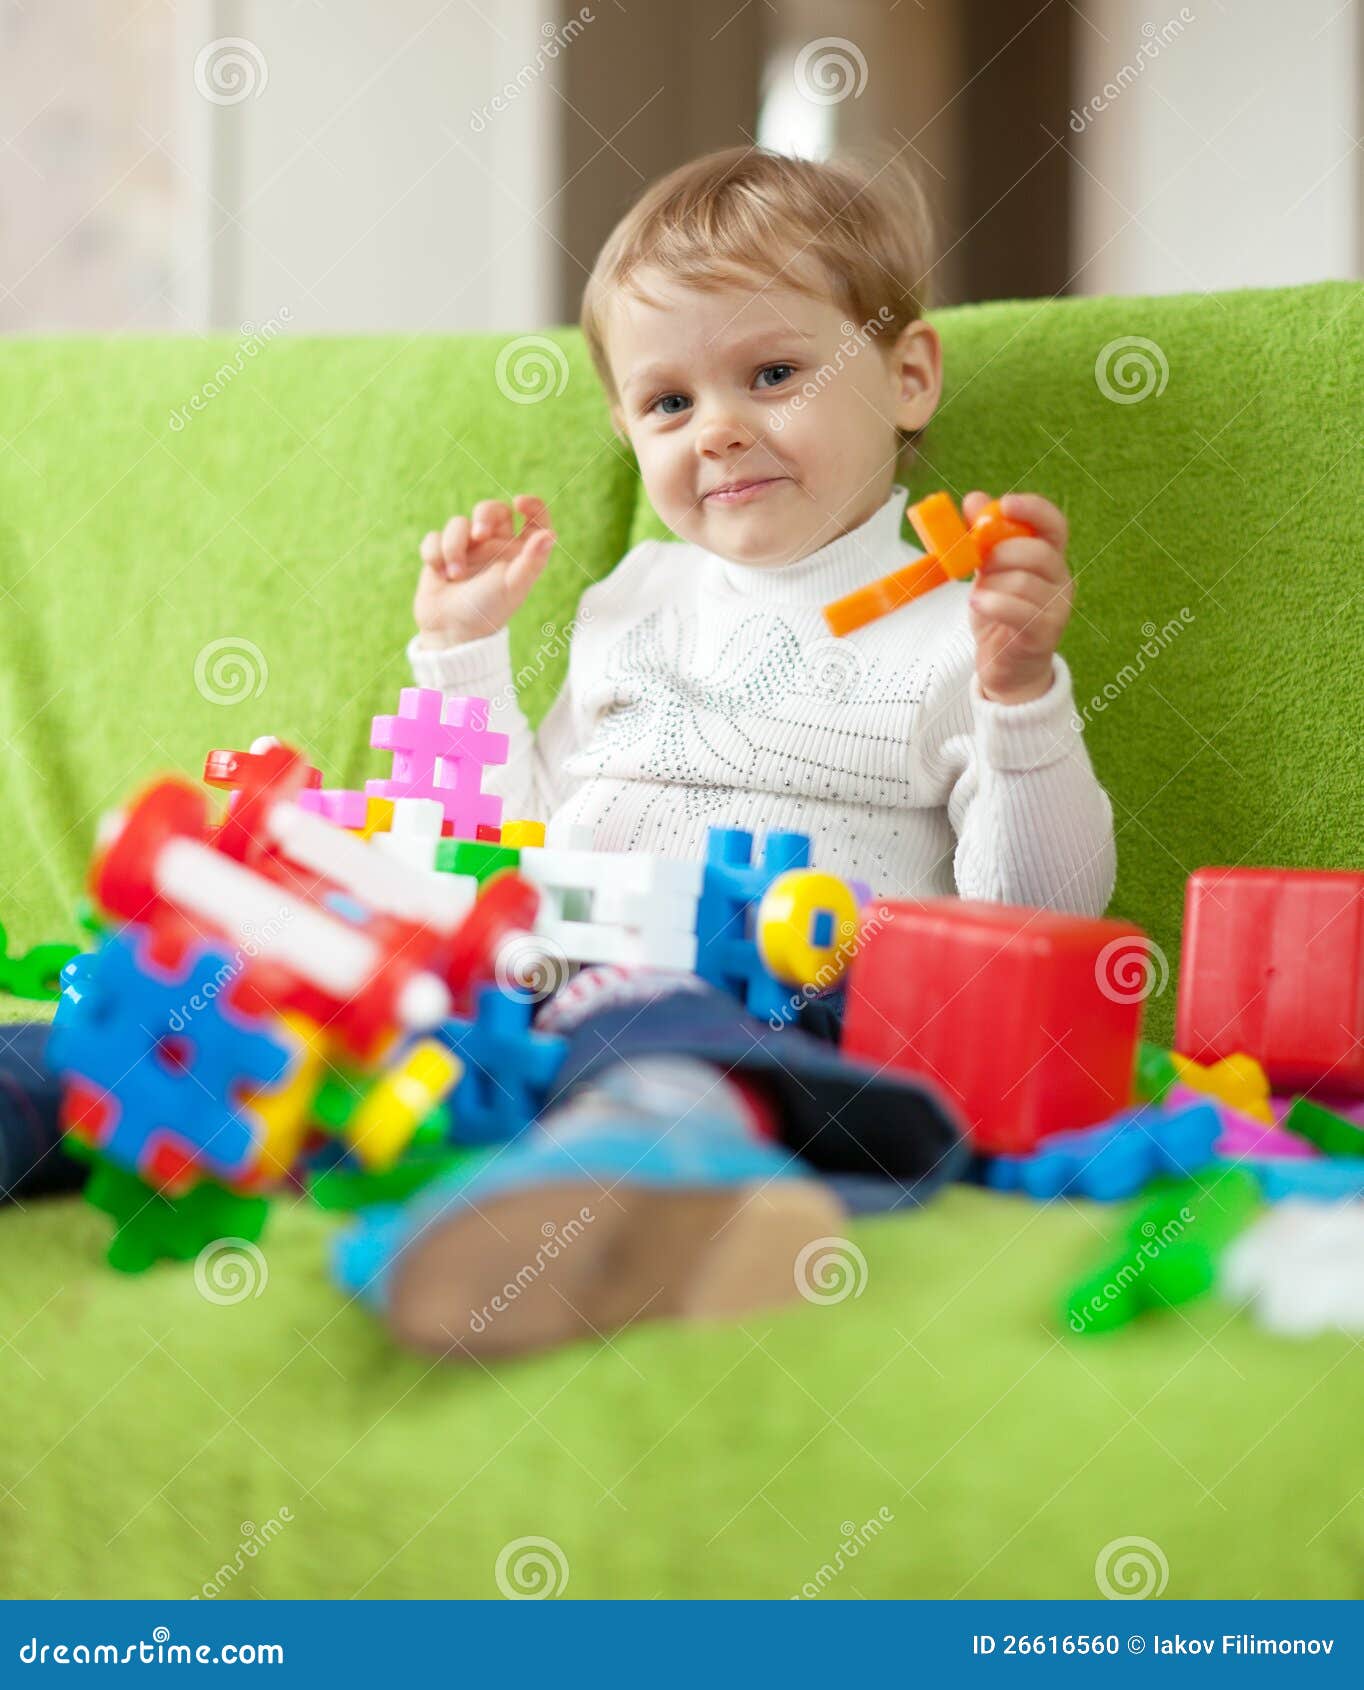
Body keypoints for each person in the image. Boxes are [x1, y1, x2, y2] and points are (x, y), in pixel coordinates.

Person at [356, 146, 1118, 1359]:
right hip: (537, 984)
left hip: (778, 1011)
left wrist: (1019, 694)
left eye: (770, 372)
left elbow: (1037, 911)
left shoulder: (958, 633)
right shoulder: (630, 597)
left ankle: (655, 1189)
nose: (716, 431)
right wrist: (460, 652)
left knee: (669, 1045)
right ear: (623, 426)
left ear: (907, 375)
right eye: (667, 402)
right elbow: (508, 836)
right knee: (308, 993)